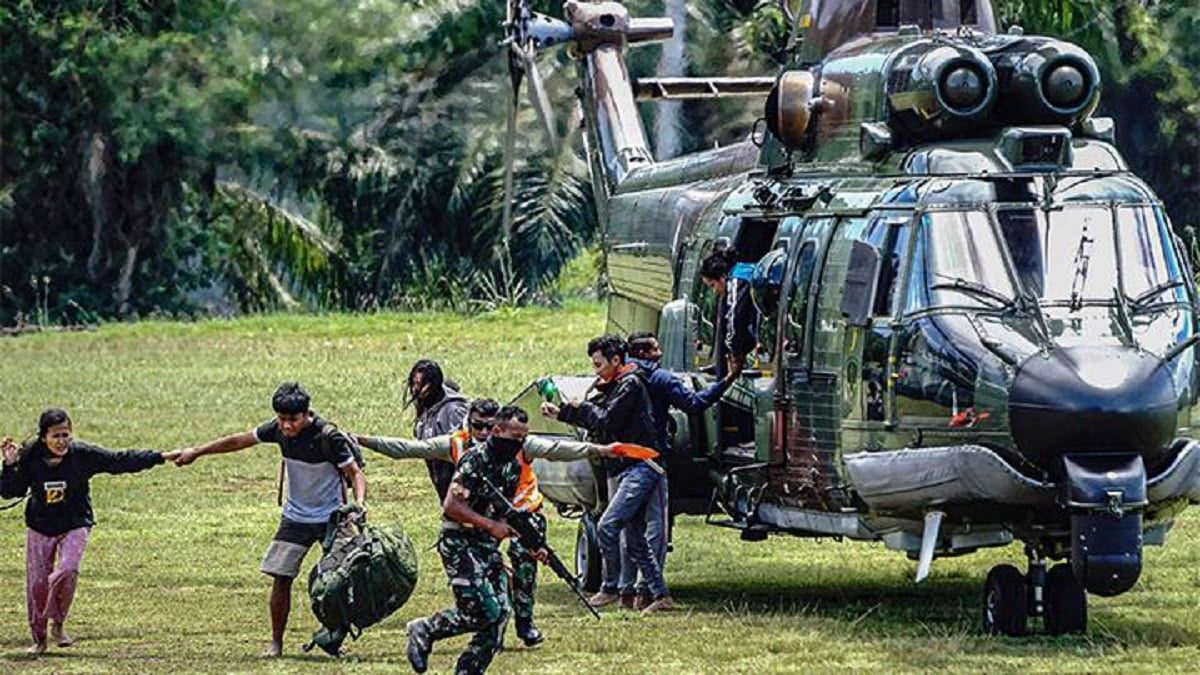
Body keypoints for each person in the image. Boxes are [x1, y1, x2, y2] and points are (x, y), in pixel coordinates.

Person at [357, 397, 617, 647]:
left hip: (524, 512)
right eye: (477, 426)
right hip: (481, 521)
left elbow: (557, 450)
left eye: (488, 426)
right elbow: (408, 449)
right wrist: (361, 440)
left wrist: (599, 450)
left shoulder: (517, 441)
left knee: (525, 562)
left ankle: (524, 622)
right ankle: (482, 626)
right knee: (487, 594)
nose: (483, 432)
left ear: (498, 427)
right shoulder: (459, 445)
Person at [173, 382, 366, 658]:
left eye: (292, 419)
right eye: (282, 419)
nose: (286, 426)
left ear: (307, 414)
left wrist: (358, 505)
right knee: (281, 577)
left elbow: (355, 473)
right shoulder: (276, 430)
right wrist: (197, 451)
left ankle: (334, 639)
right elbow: (239, 440)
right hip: (295, 517)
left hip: (333, 518)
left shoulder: (328, 437)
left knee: (340, 580)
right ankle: (276, 643)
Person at [1, 409, 181, 655]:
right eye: (56, 436)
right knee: (38, 585)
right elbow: (11, 492)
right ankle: (39, 639)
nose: (62, 441)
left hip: (75, 523)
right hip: (41, 526)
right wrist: (10, 464)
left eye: (65, 435)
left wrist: (160, 456)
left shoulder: (82, 455)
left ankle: (58, 624)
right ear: (44, 437)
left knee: (67, 570)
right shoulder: (31, 457)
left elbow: (119, 460)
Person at [405, 405, 546, 675]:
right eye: (514, 437)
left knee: (500, 614)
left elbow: (505, 512)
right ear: (497, 431)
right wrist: (491, 526)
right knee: (482, 611)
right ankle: (426, 628)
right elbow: (451, 506)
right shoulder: (474, 461)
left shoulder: (512, 467)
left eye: (523, 438)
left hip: (485, 545)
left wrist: (532, 543)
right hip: (459, 542)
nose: (519, 443)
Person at [540, 335, 673, 613]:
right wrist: (562, 413)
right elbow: (599, 420)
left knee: (608, 526)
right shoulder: (617, 385)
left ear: (616, 360)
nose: (596, 371)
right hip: (627, 467)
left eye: (599, 365)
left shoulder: (630, 384)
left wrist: (581, 407)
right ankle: (660, 596)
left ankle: (610, 587)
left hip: (641, 466)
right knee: (634, 537)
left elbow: (606, 421)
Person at [618, 332, 743, 608]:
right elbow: (694, 404)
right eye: (655, 349)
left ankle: (625, 591)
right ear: (644, 353)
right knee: (657, 527)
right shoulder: (661, 378)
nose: (660, 353)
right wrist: (728, 379)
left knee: (629, 525)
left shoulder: (620, 378)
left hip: (623, 459)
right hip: (653, 460)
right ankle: (648, 591)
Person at [406, 359, 470, 501]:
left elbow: (462, 450)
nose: (416, 389)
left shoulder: (453, 410)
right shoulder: (426, 404)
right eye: (414, 384)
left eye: (421, 384)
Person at [700, 245, 757, 376]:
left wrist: (734, 352)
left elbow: (735, 318)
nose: (714, 291)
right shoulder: (744, 271)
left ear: (722, 277)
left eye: (713, 285)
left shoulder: (737, 281)